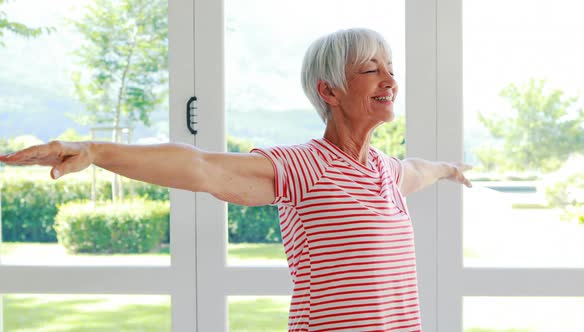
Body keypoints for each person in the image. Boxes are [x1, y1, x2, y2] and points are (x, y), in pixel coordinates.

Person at [0, 28, 471, 331]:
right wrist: (95, 150)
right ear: (329, 90)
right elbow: (201, 166)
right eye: (371, 69)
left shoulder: (385, 172)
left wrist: (449, 169)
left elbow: (418, 170)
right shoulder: (306, 167)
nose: (389, 79)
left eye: (391, 68)